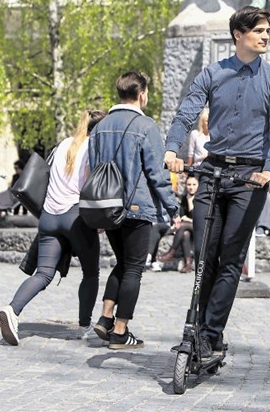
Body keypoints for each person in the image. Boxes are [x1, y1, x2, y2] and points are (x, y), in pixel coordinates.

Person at [165, 6, 270, 361]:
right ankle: (195, 330)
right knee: (205, 255)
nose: (265, 36)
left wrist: (269, 168)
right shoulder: (213, 73)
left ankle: (210, 334)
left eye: (268, 31)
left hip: (251, 178)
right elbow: (187, 112)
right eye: (259, 30)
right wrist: (172, 148)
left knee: (230, 258)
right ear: (239, 34)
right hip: (213, 171)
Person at [0, 110, 107, 346]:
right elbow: (93, 185)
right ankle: (84, 326)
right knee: (91, 273)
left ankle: (12, 310)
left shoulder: (63, 144)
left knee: (44, 273)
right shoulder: (94, 147)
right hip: (75, 217)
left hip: (48, 217)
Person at [90, 71, 180, 350]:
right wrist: (172, 207)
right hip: (137, 207)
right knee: (134, 270)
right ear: (141, 94)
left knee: (122, 263)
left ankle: (105, 318)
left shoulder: (100, 127)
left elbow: (92, 169)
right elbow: (156, 172)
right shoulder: (146, 125)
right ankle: (120, 331)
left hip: (107, 206)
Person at [159, 175, 199, 273]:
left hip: (200, 228)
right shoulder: (185, 197)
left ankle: (171, 252)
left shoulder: (200, 198)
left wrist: (190, 202)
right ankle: (188, 264)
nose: (191, 187)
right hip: (190, 228)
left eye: (194, 184)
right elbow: (182, 215)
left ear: (198, 186)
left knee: (181, 226)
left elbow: (197, 218)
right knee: (185, 234)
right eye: (189, 184)